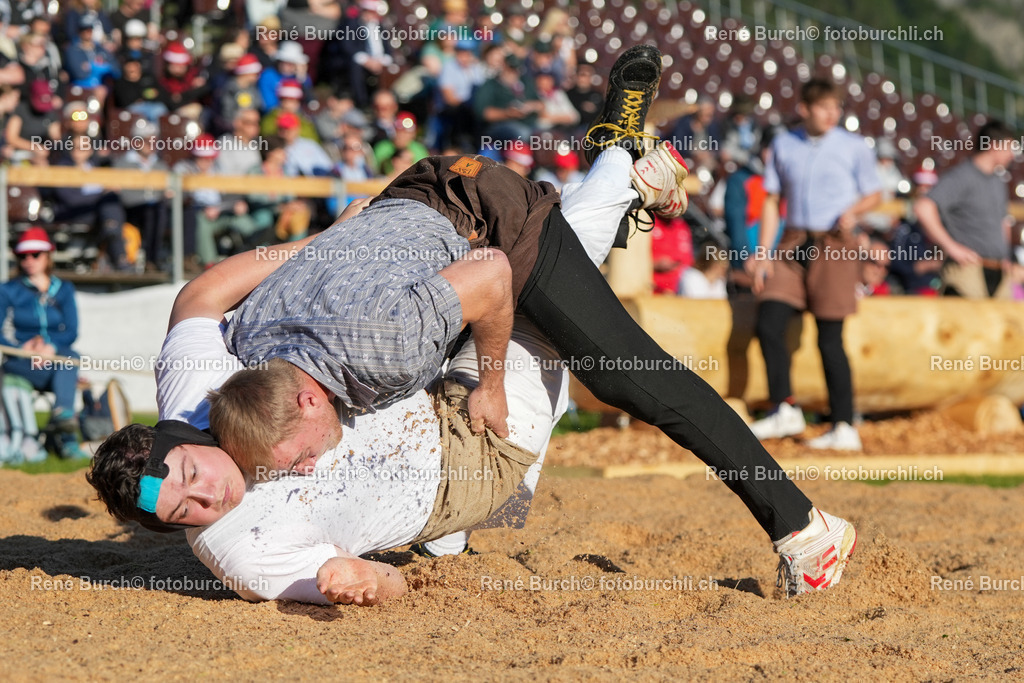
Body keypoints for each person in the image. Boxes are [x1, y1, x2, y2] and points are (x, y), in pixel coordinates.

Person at [89, 45, 856, 600]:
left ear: (187, 436)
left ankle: (805, 528)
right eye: (181, 513)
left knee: (627, 374)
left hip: (484, 216)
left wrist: (487, 383)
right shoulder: (213, 381)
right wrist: (325, 242)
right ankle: (621, 163)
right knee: (485, 341)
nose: (204, 503)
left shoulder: (367, 352)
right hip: (395, 225)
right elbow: (198, 296)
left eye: (189, 480)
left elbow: (490, 279)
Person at [746, 78, 882, 451]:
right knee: (769, 319)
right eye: (824, 107)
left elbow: (874, 193)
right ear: (805, 108)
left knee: (829, 337)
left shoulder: (854, 147)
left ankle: (843, 425)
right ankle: (784, 407)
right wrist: (763, 251)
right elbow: (772, 200)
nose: (832, 114)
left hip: (835, 242)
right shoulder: (784, 144)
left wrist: (853, 212)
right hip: (792, 242)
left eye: (836, 107)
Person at [0, 228, 87, 460]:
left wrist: (50, 348)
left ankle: (63, 420)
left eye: (35, 254)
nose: (29, 260)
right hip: (20, 362)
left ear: (48, 255)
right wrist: (23, 349)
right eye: (23, 255)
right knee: (68, 366)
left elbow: (71, 331)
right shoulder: (7, 290)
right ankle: (66, 436)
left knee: (70, 356)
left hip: (54, 360)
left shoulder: (64, 289)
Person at [914, 120, 1017, 299]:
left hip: (998, 271)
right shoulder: (962, 177)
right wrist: (952, 247)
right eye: (1009, 147)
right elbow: (923, 207)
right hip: (967, 272)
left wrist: (1006, 256)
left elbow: (1003, 222)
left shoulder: (998, 181)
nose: (1012, 155)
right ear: (993, 145)